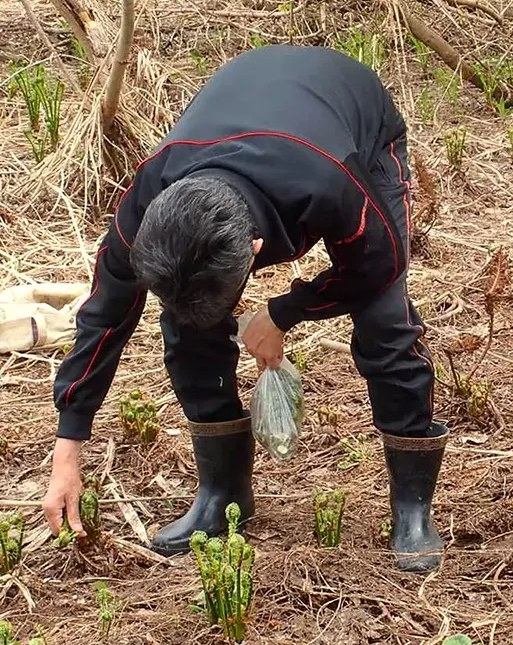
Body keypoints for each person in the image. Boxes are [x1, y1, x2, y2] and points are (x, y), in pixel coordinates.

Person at [42, 44, 448, 573]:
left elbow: (380, 263)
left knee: (384, 321)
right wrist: (67, 447)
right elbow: (103, 316)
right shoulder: (147, 202)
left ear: (256, 250)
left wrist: (283, 313)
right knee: (187, 326)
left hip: (351, 119)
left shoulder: (327, 182)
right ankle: (223, 492)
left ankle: (412, 508)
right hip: (246, 105)